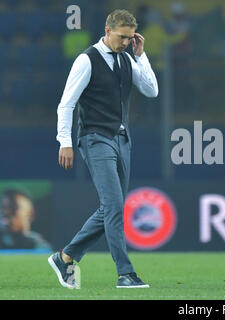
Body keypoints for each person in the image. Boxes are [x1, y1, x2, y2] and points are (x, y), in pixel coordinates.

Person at [51, 9, 158, 289]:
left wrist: (141, 55)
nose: (125, 42)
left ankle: (66, 257)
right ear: (108, 31)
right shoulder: (87, 60)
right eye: (122, 37)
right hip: (95, 137)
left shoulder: (127, 58)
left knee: (113, 207)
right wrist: (66, 142)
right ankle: (125, 272)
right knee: (113, 205)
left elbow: (151, 90)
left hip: (122, 139)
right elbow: (66, 104)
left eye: (130, 37)